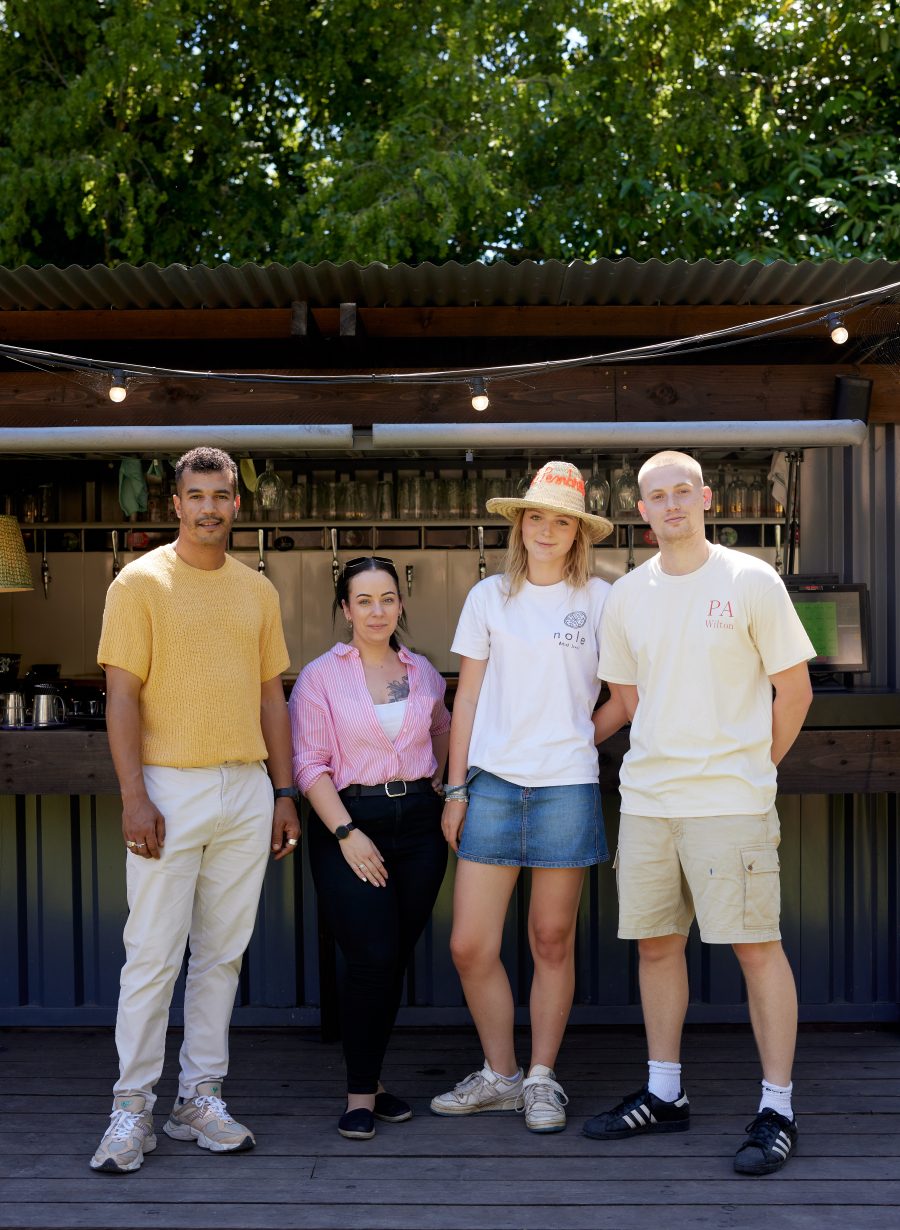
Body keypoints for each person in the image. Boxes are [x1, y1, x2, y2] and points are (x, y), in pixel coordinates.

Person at [582, 449, 815, 1176]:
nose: (672, 504)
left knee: (755, 948)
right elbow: (625, 702)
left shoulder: (751, 580)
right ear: (641, 510)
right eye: (658, 495)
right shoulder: (627, 596)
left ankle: (777, 1107)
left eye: (684, 491)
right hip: (650, 802)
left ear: (706, 497)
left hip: (729, 803)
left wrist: (751, 770)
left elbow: (795, 692)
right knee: (656, 945)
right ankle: (665, 1093)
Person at [90, 446, 298, 1174]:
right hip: (167, 787)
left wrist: (282, 790)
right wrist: (134, 795)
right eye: (197, 495)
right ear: (174, 504)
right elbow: (121, 696)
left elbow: (273, 696)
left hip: (245, 787)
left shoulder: (257, 592)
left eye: (222, 495)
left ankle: (198, 1097)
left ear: (239, 504)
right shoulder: (139, 583)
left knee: (222, 954)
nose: (210, 507)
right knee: (151, 954)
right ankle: (130, 1108)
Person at [431, 460, 626, 1133]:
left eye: (561, 520)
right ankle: (501, 1075)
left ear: (578, 533)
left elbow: (625, 699)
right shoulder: (489, 596)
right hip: (491, 786)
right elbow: (468, 698)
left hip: (565, 789)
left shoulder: (602, 599)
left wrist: (577, 737)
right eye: (536, 517)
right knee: (469, 945)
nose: (547, 529)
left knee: (551, 938)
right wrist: (455, 789)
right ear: (521, 525)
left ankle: (542, 1078)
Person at [290, 556, 450, 1140]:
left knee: (390, 960)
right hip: (350, 825)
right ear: (345, 609)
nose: (377, 610)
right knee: (373, 957)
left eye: (387, 599)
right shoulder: (320, 677)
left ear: (400, 606)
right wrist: (345, 832)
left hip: (419, 830)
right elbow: (308, 764)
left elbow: (441, 727)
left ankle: (374, 1084)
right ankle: (361, 1095)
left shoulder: (423, 671)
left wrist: (445, 778)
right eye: (364, 600)